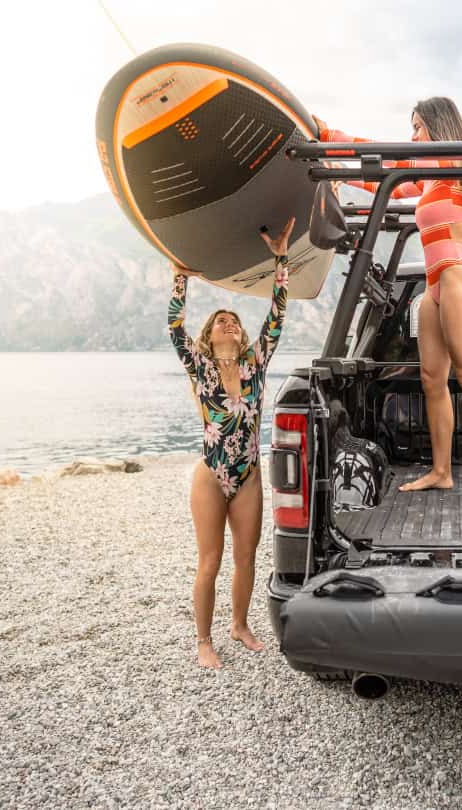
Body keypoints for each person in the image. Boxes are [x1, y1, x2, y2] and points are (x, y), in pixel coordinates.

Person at [314, 98, 462, 500]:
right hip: (435, 285)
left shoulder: (448, 162)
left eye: (417, 127)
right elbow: (388, 184)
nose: (412, 136)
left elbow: (389, 158)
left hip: (457, 275)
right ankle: (441, 471)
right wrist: (340, 172)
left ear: (438, 126)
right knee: (432, 380)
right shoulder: (430, 177)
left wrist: (330, 136)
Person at [167, 218, 293, 669]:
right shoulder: (199, 367)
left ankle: (239, 625)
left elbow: (276, 318)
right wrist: (180, 278)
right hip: (211, 474)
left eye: (235, 321)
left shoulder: (255, 365)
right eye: (221, 321)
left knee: (246, 557)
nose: (230, 323)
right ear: (209, 336)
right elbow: (175, 327)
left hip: (249, 476)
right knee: (210, 560)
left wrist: (281, 260)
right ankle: (204, 640)